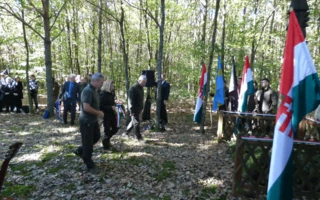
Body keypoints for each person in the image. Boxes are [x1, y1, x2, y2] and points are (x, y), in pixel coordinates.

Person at [74, 73, 104, 173]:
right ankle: (89, 163)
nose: (102, 84)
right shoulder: (87, 91)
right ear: (95, 81)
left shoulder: (94, 90)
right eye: (101, 82)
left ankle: (80, 150)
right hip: (86, 121)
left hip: (93, 120)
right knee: (88, 143)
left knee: (96, 137)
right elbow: (86, 107)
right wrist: (99, 113)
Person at [124, 75, 147, 141]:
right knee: (136, 123)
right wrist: (131, 111)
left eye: (145, 82)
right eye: (143, 82)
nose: (144, 84)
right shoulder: (133, 88)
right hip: (133, 109)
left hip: (138, 109)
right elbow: (130, 101)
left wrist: (142, 108)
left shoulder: (141, 88)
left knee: (132, 122)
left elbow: (141, 99)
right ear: (139, 80)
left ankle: (126, 133)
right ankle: (139, 137)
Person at [99, 80, 118, 150]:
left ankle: (106, 140)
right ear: (108, 86)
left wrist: (115, 104)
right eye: (112, 85)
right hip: (105, 115)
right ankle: (105, 146)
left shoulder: (111, 94)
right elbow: (100, 106)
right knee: (106, 131)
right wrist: (110, 107)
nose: (113, 86)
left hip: (112, 114)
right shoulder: (103, 94)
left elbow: (112, 103)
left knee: (115, 129)